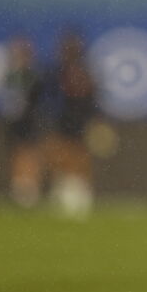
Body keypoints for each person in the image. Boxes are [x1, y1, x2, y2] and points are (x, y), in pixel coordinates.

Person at [46, 29, 99, 219]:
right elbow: (51, 97)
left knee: (80, 158)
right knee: (60, 157)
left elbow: (93, 99)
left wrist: (96, 120)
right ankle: (64, 194)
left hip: (79, 121)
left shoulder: (86, 72)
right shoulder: (58, 72)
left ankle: (81, 197)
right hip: (64, 121)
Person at [0, 34, 45, 208]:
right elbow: (6, 100)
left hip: (29, 119)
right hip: (14, 120)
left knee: (29, 151)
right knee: (17, 152)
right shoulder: (10, 75)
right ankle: (19, 186)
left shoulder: (32, 75)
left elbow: (36, 97)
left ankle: (31, 187)